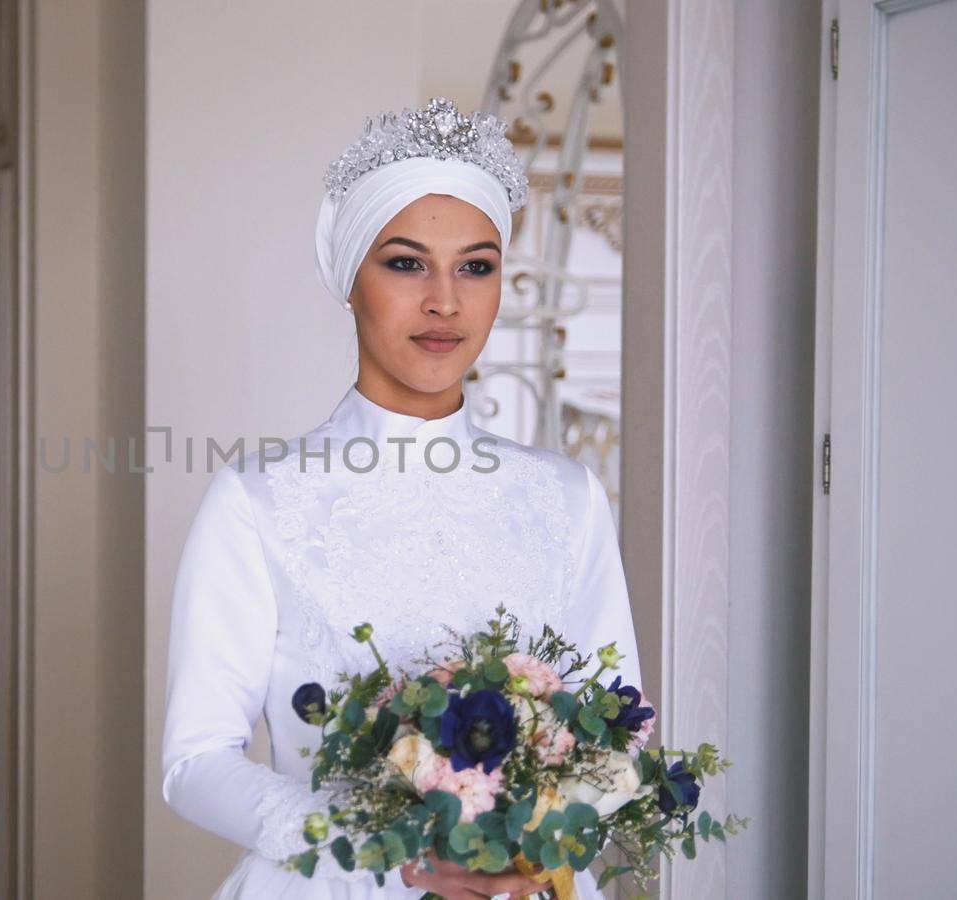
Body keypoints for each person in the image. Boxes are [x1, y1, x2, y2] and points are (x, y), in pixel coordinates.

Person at [160, 97, 643, 900]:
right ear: (352, 281)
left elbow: (616, 736)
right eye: (407, 263)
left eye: (476, 266)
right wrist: (389, 843)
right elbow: (194, 761)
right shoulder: (260, 500)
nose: (445, 301)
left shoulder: (566, 498)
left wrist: (521, 846)